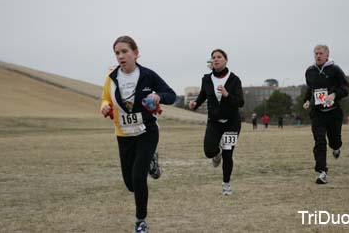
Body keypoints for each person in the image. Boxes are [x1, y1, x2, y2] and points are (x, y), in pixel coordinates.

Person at [101, 36, 176, 233]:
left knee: (138, 176)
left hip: (147, 132)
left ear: (135, 53)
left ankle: (141, 221)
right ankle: (152, 161)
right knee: (130, 184)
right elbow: (105, 98)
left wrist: (158, 96)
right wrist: (105, 106)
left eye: (125, 51)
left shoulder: (148, 75)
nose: (120, 56)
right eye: (117, 53)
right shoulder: (111, 78)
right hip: (123, 134)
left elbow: (171, 94)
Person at [189, 49, 244, 195]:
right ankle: (216, 153)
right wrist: (195, 103)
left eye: (219, 57)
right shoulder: (206, 79)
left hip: (232, 122)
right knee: (209, 151)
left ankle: (226, 184)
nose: (216, 59)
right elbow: (202, 95)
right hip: (214, 122)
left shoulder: (234, 79)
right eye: (213, 57)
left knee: (228, 154)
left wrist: (227, 94)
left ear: (226, 60)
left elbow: (240, 102)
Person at [303, 44, 349, 184]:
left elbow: (346, 87)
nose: (318, 56)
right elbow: (310, 88)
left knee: (334, 141)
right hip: (317, 113)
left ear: (327, 55)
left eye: (320, 53)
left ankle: (336, 148)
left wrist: (334, 95)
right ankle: (322, 172)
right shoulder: (310, 71)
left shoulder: (335, 70)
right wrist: (306, 100)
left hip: (334, 112)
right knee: (319, 141)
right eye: (316, 53)